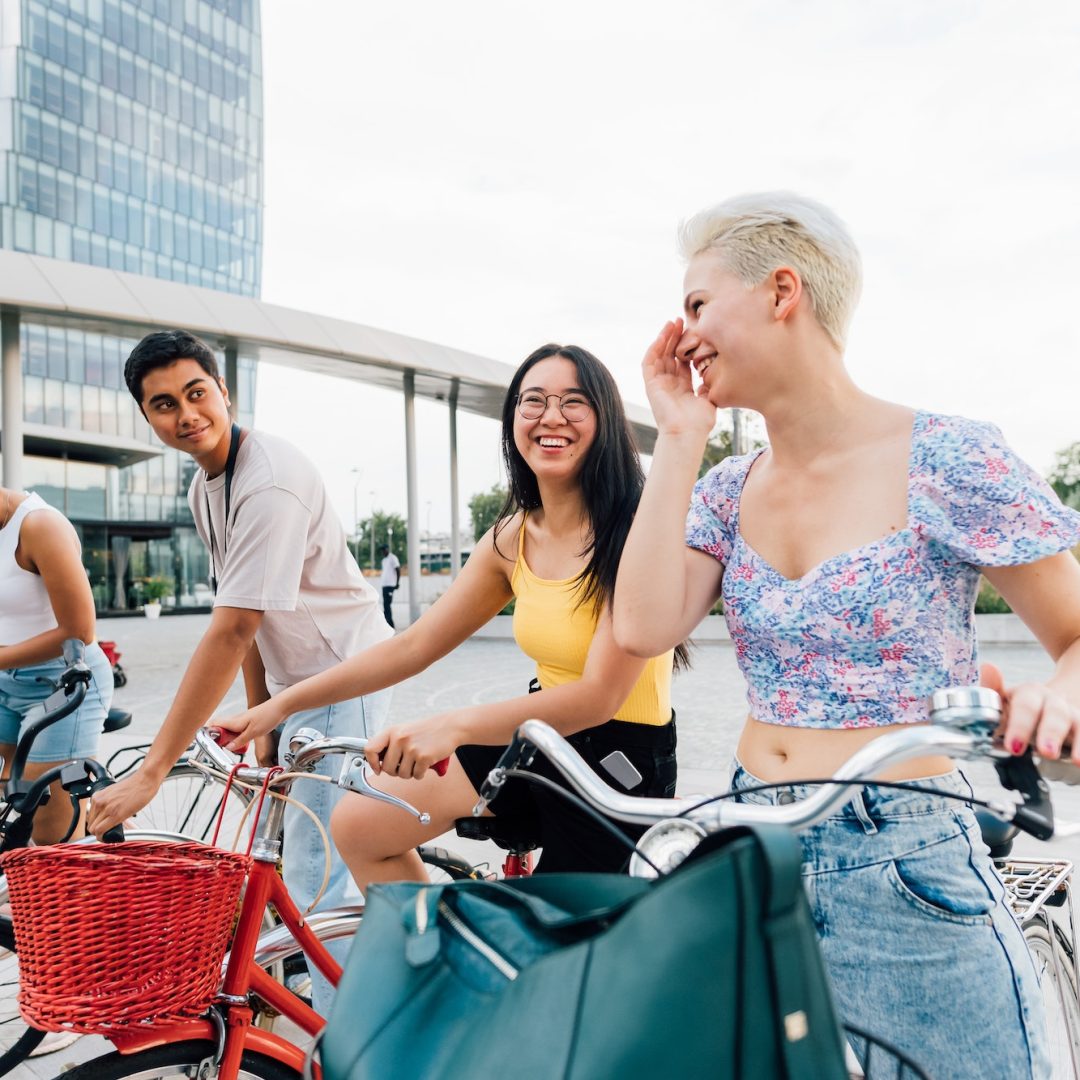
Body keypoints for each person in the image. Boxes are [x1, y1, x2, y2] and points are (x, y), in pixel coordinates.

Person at [612, 192, 1080, 1078]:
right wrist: (678, 438)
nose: (684, 334)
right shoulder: (722, 488)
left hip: (904, 856)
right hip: (753, 852)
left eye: (699, 304)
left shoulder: (946, 455)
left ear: (783, 290)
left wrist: (1059, 696)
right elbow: (641, 626)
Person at [217, 344, 680, 891]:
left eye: (573, 403)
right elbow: (413, 646)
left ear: (604, 422)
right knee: (362, 826)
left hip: (617, 761)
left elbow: (599, 696)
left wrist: (449, 726)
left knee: (557, 948)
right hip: (538, 737)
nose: (550, 417)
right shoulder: (512, 537)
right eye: (533, 401)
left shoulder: (633, 532)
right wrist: (280, 705)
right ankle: (443, 958)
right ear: (512, 423)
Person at [85, 330, 394, 1008]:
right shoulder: (207, 487)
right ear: (147, 416)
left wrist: (151, 772)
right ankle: (311, 991)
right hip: (297, 687)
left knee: (320, 868)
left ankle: (348, 1030)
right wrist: (261, 720)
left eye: (197, 394)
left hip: (347, 677)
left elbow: (231, 630)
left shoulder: (269, 480)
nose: (186, 414)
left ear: (224, 392)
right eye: (163, 404)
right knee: (275, 850)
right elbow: (244, 617)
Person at [0, 486, 113, 843]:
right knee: (12, 810)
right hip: (6, 680)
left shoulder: (39, 526)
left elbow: (79, 630)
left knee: (51, 838)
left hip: (65, 682)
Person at [379, 544, 400, 628]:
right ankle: (387, 623)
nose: (383, 552)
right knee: (385, 605)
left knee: (387, 604)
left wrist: (397, 583)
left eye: (384, 549)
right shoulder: (384, 560)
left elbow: (398, 570)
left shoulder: (393, 558)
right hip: (384, 585)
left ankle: (390, 624)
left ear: (387, 549)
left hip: (390, 585)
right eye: (382, 550)